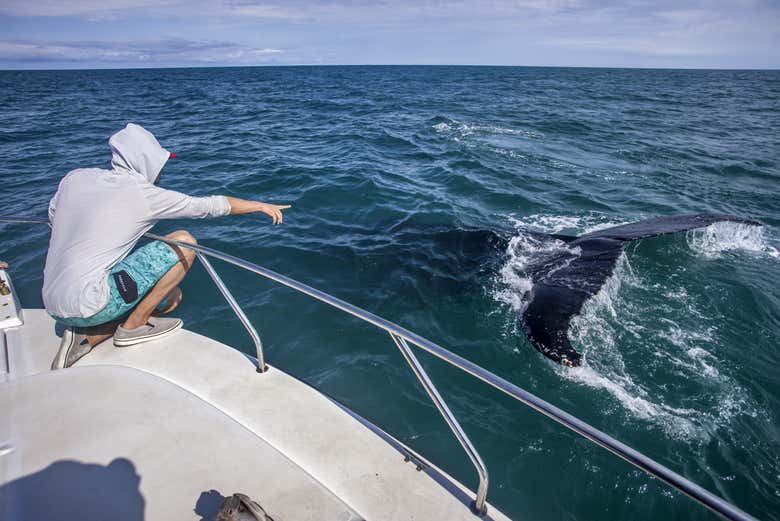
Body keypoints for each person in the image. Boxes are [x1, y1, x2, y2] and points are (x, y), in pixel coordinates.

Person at [43, 123, 290, 369]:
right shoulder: (143, 194)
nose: (162, 169)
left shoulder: (75, 178)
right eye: (159, 162)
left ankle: (87, 335)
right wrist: (259, 206)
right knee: (184, 247)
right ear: (145, 161)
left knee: (170, 295)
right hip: (89, 305)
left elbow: (53, 215)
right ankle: (132, 326)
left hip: (52, 304)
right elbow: (207, 207)